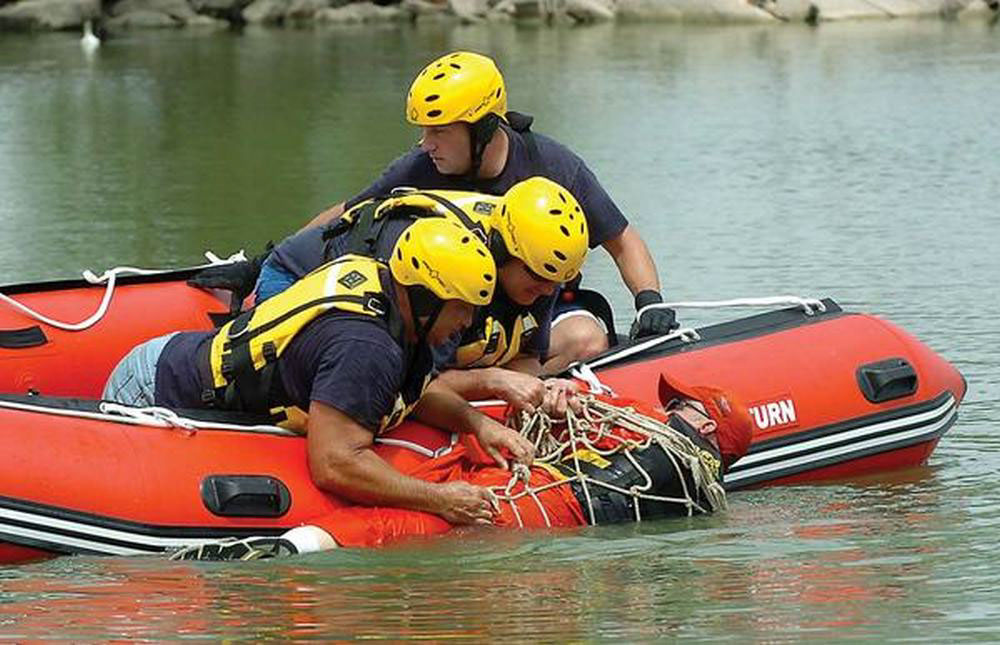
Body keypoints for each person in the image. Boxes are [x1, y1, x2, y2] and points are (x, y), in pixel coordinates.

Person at [104, 218, 535, 526]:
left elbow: (413, 394)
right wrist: (440, 498)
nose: (466, 322)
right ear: (424, 298)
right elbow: (334, 464)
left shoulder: (391, 302)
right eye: (460, 307)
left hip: (172, 358)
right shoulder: (366, 347)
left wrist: (478, 423)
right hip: (154, 391)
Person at [300, 51, 679, 371]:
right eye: (425, 130)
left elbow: (621, 240)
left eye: (439, 131)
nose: (425, 143)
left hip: (533, 306)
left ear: (481, 129)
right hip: (451, 312)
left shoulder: (551, 165)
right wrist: (263, 264)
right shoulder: (421, 166)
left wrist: (648, 302)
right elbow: (350, 214)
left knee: (587, 341)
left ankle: (492, 391)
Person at [172, 373, 754, 560]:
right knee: (435, 502)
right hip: (555, 498)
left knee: (431, 517)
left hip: (554, 501)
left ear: (703, 425)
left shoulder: (675, 455)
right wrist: (551, 398)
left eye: (679, 404)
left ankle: (277, 552)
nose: (665, 406)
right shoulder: (676, 465)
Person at [233, 176, 591, 416]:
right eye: (540, 278)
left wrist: (538, 387)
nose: (549, 291)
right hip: (294, 277)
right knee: (358, 394)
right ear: (503, 252)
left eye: (558, 281)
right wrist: (492, 381)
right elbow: (412, 385)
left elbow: (528, 358)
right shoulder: (446, 270)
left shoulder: (542, 261)